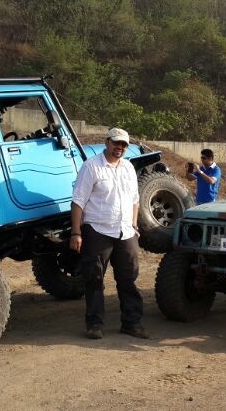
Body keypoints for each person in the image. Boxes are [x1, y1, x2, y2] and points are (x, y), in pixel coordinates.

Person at [70, 127, 148, 340]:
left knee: (128, 278)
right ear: (107, 142)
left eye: (123, 145)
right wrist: (75, 232)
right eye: (116, 143)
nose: (119, 148)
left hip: (125, 232)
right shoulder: (91, 167)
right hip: (98, 230)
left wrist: (134, 226)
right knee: (94, 279)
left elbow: (134, 200)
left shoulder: (129, 168)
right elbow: (78, 201)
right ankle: (95, 324)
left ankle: (132, 323)